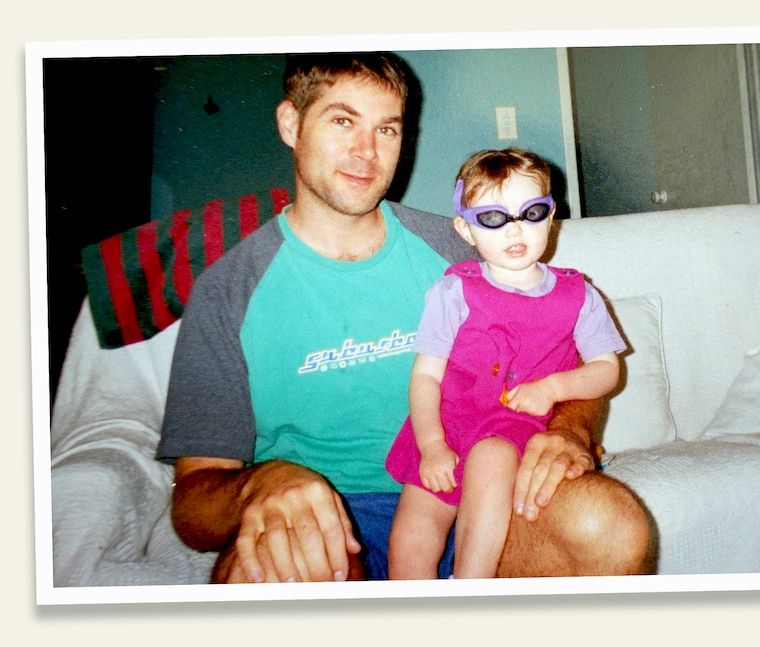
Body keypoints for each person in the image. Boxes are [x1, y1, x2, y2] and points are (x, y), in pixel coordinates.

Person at [156, 51, 651, 584]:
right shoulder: (229, 291)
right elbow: (194, 505)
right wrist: (263, 484)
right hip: (326, 525)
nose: (366, 152)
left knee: (613, 523)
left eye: (386, 129)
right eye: (343, 121)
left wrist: (571, 430)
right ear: (291, 124)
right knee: (265, 574)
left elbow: (584, 367)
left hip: (487, 494)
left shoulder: (467, 251)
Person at [386, 148, 624, 579]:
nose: (517, 229)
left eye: (532, 212)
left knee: (493, 457)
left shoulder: (578, 295)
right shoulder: (453, 291)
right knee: (414, 529)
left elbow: (607, 369)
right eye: (494, 218)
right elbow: (425, 376)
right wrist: (431, 444)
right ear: (465, 228)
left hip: (517, 425)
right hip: (450, 425)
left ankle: (471, 585)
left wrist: (553, 389)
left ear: (552, 216)